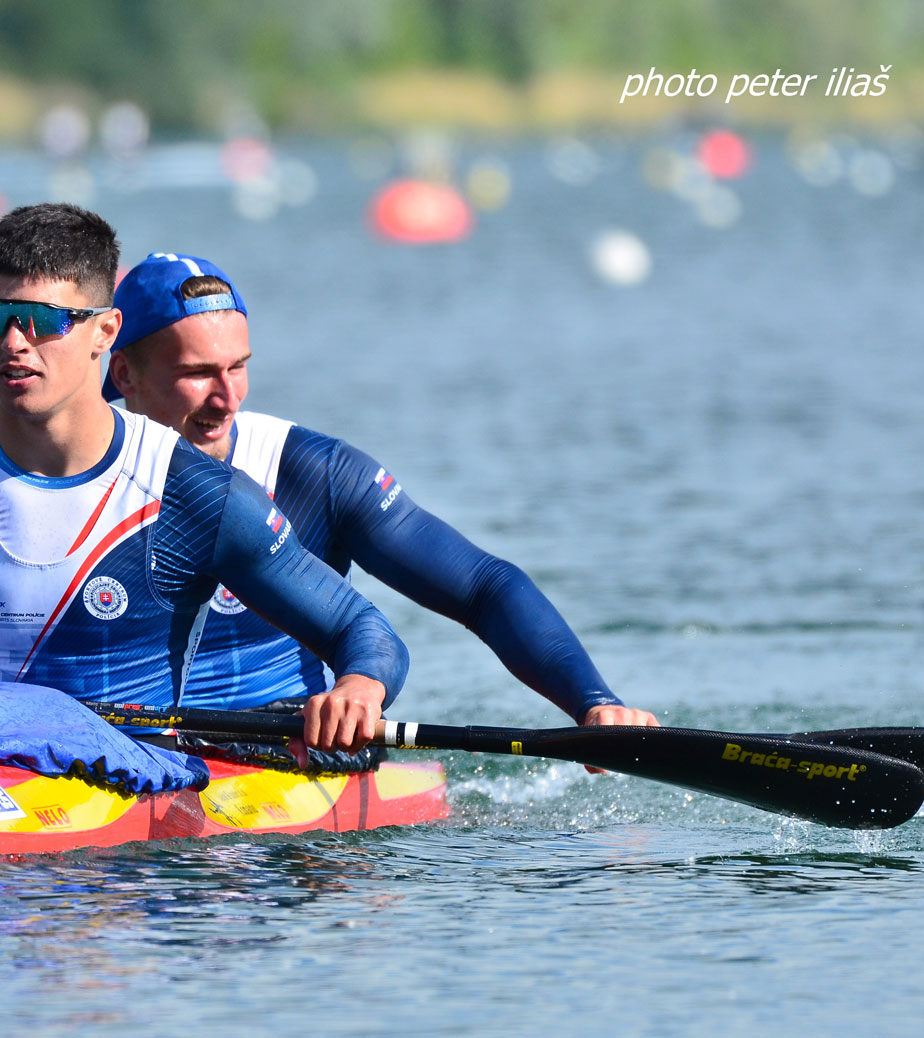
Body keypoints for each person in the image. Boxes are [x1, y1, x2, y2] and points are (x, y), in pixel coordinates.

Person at [0, 205, 408, 754]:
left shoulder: (194, 493)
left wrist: (359, 690)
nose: (14, 344)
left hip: (135, 800)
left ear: (104, 332)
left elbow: (365, 631)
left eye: (44, 321)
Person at [103, 252, 658, 731]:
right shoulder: (62, 472)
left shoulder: (315, 473)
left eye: (240, 368)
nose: (228, 398)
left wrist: (595, 704)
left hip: (282, 751)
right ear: (125, 376)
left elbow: (484, 589)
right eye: (198, 373)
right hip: (121, 751)